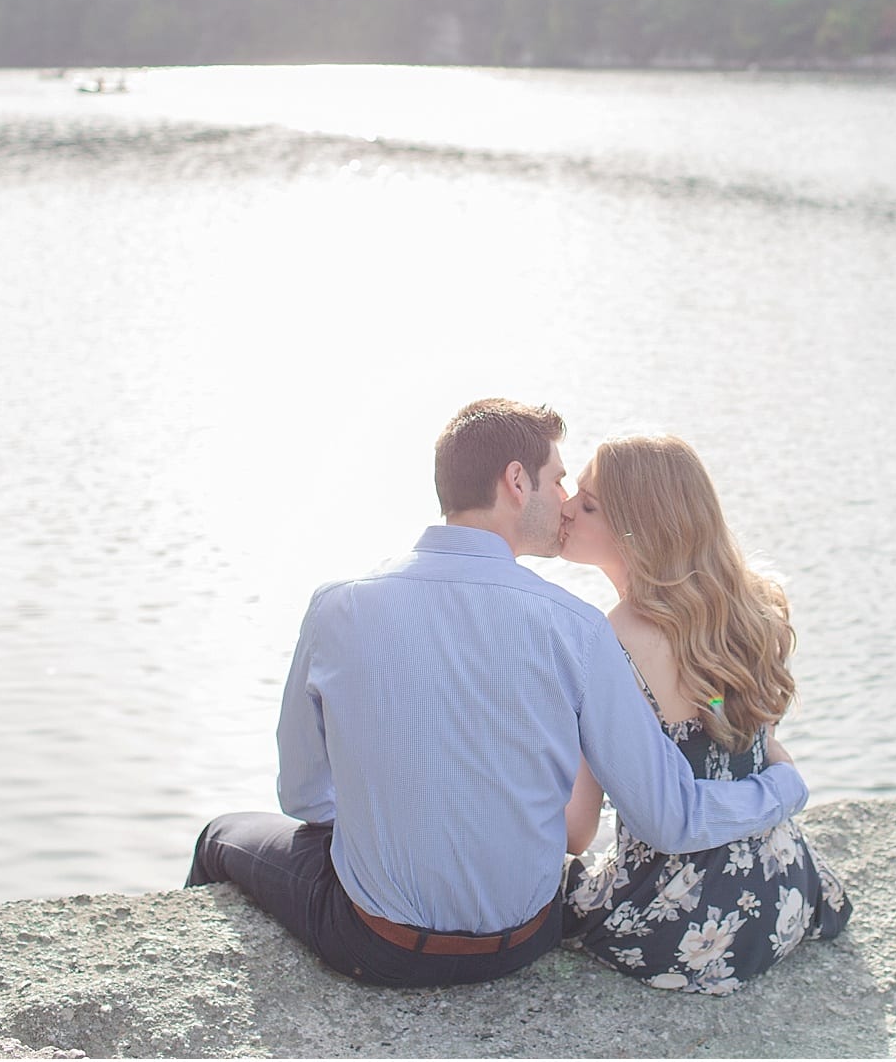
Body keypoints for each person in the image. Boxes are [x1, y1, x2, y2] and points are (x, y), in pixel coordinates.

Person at [184, 399, 810, 989]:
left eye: (581, 498)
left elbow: (303, 798)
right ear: (518, 481)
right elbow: (688, 751)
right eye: (561, 480)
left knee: (220, 836)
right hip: (524, 941)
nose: (564, 502)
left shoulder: (338, 605)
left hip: (375, 944)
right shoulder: (583, 627)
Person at [558, 433, 851, 994]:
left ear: (639, 531)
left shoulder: (613, 641)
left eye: (588, 505)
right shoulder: (745, 612)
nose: (567, 508)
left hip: (683, 924)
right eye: (573, 492)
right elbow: (736, 731)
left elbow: (578, 828)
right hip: (780, 893)